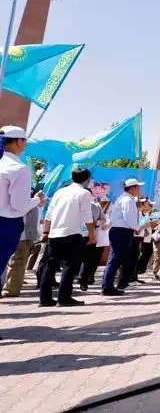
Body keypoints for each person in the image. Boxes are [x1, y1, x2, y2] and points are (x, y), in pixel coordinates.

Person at [40, 167, 95, 306]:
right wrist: (91, 234)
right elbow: (87, 215)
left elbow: (49, 214)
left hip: (54, 233)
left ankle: (44, 299)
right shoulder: (84, 193)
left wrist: (46, 232)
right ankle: (64, 298)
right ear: (86, 180)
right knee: (69, 266)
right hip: (72, 233)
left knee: (50, 266)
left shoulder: (60, 192)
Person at [0, 126, 46, 281]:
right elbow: (18, 205)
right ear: (19, 142)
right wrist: (38, 200)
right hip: (5, 224)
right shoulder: (18, 168)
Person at [102, 178, 144, 296]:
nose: (139, 189)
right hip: (122, 232)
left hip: (121, 231)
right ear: (132, 188)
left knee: (116, 260)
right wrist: (136, 227)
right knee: (115, 260)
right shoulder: (127, 200)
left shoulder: (125, 199)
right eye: (137, 187)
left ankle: (108, 285)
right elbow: (128, 217)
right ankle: (107, 287)